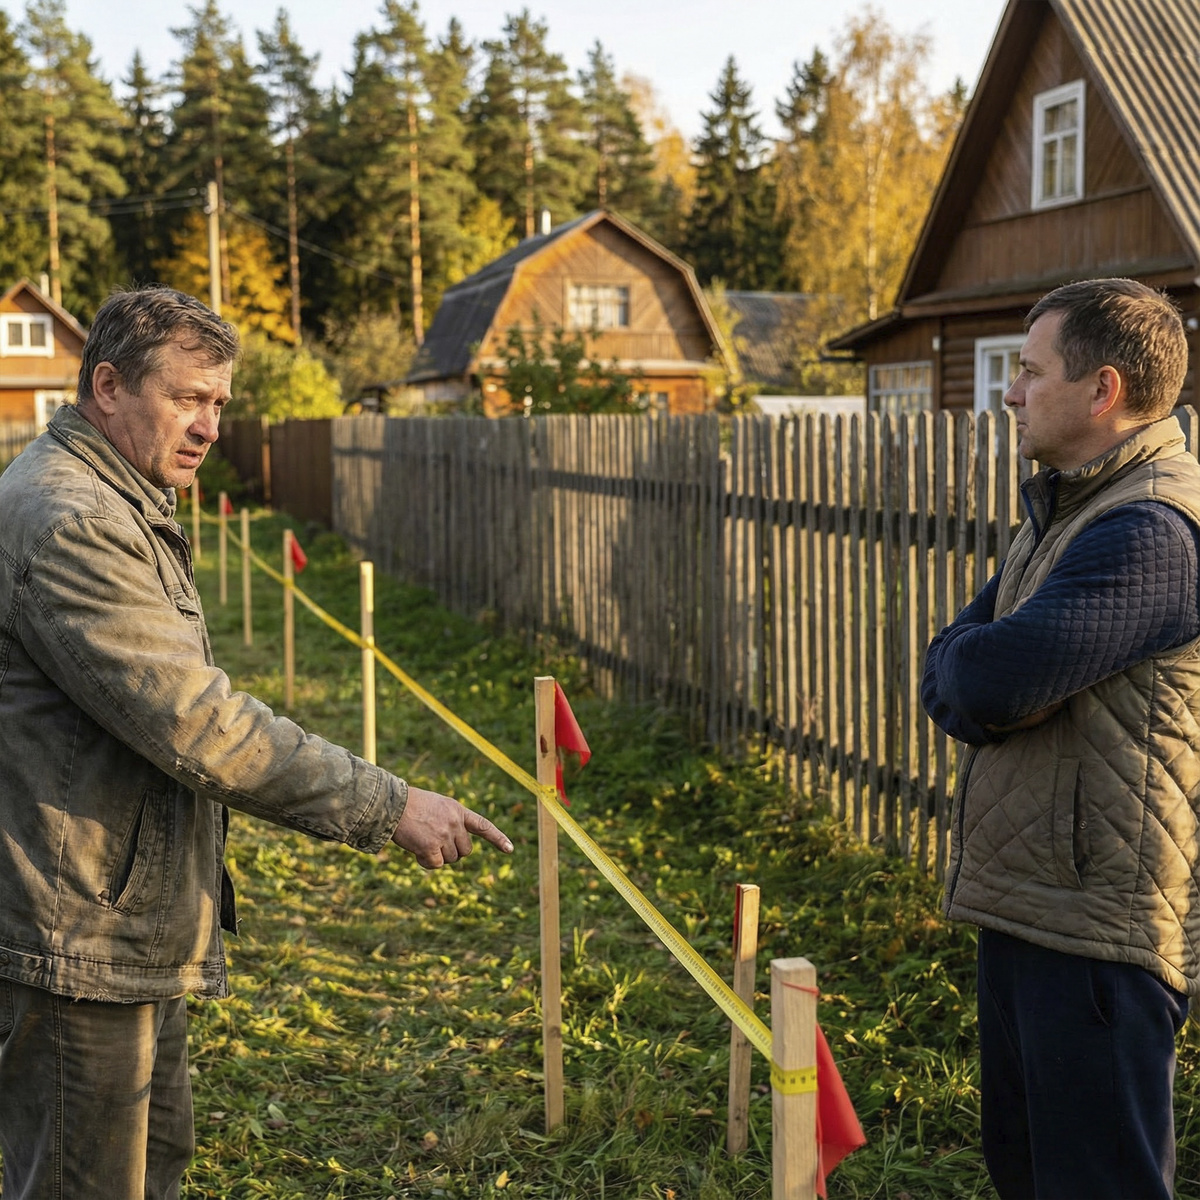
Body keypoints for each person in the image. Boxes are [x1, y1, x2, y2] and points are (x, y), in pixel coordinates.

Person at [0, 286, 514, 1200]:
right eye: (187, 398)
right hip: (77, 933)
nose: (208, 426)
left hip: (113, 917)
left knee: (152, 1162)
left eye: (219, 403)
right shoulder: (74, 519)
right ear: (108, 386)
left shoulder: (117, 494)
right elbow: (199, 724)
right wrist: (391, 805)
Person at [921, 278, 1200, 1197]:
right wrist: (982, 675)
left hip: (1097, 933)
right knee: (1026, 1171)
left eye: (1031, 372)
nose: (1010, 393)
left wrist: (986, 678)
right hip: (1033, 904)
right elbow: (953, 665)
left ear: (1102, 390)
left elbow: (987, 680)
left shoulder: (1150, 529)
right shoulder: (1068, 510)